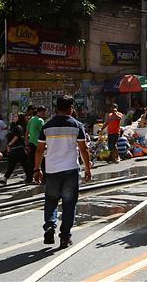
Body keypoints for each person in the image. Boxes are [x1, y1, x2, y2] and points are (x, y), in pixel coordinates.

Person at [34, 95, 92, 248]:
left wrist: (37, 169)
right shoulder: (77, 125)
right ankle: (65, 236)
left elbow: (39, 150)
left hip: (52, 170)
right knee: (69, 204)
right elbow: (83, 149)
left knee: (51, 200)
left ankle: (50, 226)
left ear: (56, 108)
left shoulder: (47, 126)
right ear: (71, 108)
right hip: (70, 170)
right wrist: (88, 168)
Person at [0, 113, 31, 185]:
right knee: (15, 164)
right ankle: (5, 178)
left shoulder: (18, 127)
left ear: (19, 118)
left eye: (16, 116)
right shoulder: (14, 126)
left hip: (19, 149)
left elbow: (16, 137)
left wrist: (9, 145)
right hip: (15, 149)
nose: (13, 117)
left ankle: (29, 178)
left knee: (23, 165)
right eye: (13, 116)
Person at [27, 106, 47, 180]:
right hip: (38, 144)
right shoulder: (40, 120)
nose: (45, 114)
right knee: (42, 161)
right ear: (41, 112)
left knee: (32, 162)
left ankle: (29, 178)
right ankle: (44, 178)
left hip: (31, 143)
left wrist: (27, 143)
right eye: (44, 112)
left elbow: (27, 132)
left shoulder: (31, 120)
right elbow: (43, 133)